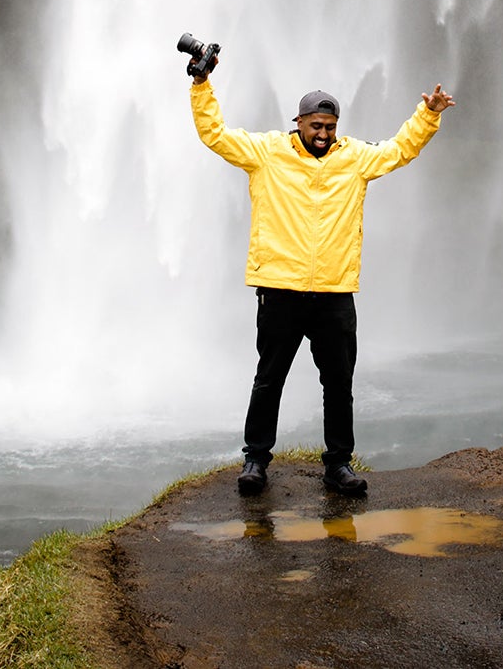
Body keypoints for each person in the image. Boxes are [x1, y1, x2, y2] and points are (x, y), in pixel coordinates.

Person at [190, 58, 454, 497]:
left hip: (334, 291)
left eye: (330, 125)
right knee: (269, 378)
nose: (324, 133)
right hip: (280, 288)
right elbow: (214, 134)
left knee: (339, 383)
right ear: (299, 123)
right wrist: (201, 82)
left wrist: (428, 115)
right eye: (316, 124)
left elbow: (398, 150)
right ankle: (255, 460)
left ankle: (338, 465)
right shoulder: (267, 153)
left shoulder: (354, 158)